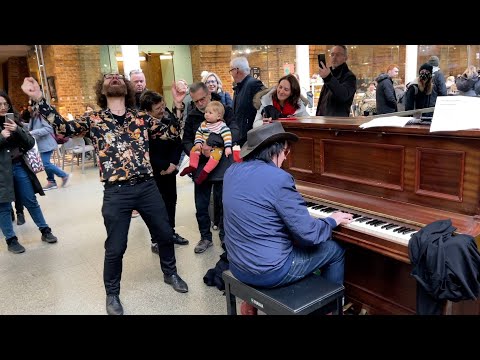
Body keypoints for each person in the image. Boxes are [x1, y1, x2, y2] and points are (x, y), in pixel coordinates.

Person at [21, 74, 188, 315]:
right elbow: (63, 128)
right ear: (102, 89)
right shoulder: (94, 119)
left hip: (147, 186)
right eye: (108, 78)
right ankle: (112, 293)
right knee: (115, 246)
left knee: (164, 233)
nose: (113, 79)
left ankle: (170, 273)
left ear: (127, 88)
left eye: (118, 77)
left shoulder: (140, 117)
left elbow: (172, 133)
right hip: (116, 191)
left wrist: (179, 105)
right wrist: (38, 97)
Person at [223, 122, 352, 300]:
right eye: (286, 151)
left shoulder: (232, 171)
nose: (286, 158)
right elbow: (309, 234)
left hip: (238, 266)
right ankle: (331, 308)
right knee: (335, 249)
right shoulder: (278, 178)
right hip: (269, 271)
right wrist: (331, 220)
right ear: (275, 151)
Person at [182, 82, 239, 254]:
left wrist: (212, 143)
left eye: (203, 99)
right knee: (201, 205)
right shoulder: (192, 116)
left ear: (209, 94)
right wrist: (197, 149)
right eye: (196, 101)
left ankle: (224, 237)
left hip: (222, 165)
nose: (200, 104)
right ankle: (205, 237)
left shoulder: (225, 110)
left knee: (223, 204)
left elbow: (235, 132)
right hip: (201, 166)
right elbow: (186, 140)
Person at [0, 90, 58, 254]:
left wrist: (17, 130)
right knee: (3, 206)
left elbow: (31, 142)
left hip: (19, 166)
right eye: (0, 104)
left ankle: (45, 231)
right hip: (1, 171)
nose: (3, 107)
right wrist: (1, 137)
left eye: (5, 104)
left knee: (30, 200)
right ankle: (11, 240)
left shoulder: (14, 121)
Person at [139, 90, 189, 249]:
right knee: (155, 207)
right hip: (153, 171)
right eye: (158, 108)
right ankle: (156, 239)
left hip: (170, 168)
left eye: (163, 106)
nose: (162, 110)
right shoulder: (141, 125)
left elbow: (177, 142)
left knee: (170, 201)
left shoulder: (168, 119)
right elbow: (144, 151)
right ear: (147, 111)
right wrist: (162, 166)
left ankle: (170, 232)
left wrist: (173, 164)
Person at [180, 101, 232, 184]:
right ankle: (192, 166)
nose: (206, 114)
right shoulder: (203, 124)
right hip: (202, 146)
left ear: (218, 116)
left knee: (215, 157)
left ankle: (205, 172)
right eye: (206, 112)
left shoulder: (222, 126)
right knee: (194, 149)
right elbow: (199, 133)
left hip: (216, 148)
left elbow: (227, 137)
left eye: (210, 113)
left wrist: (228, 147)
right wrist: (198, 143)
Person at [28, 109, 72, 191]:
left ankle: (64, 175)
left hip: (47, 144)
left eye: (30, 104)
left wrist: (33, 132)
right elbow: (30, 128)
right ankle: (51, 182)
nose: (28, 106)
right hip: (41, 145)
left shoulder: (42, 116)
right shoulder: (33, 117)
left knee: (45, 163)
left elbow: (48, 128)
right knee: (46, 163)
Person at [229, 56, 265, 146]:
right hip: (242, 137)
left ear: (236, 70)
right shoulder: (239, 87)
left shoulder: (253, 84)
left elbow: (264, 106)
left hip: (251, 138)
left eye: (231, 71)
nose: (231, 74)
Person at [315, 45, 357, 117]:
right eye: (332, 54)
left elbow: (343, 95)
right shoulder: (330, 74)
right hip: (324, 121)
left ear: (345, 58)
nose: (334, 57)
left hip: (337, 122)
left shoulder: (349, 77)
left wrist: (328, 78)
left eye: (338, 55)